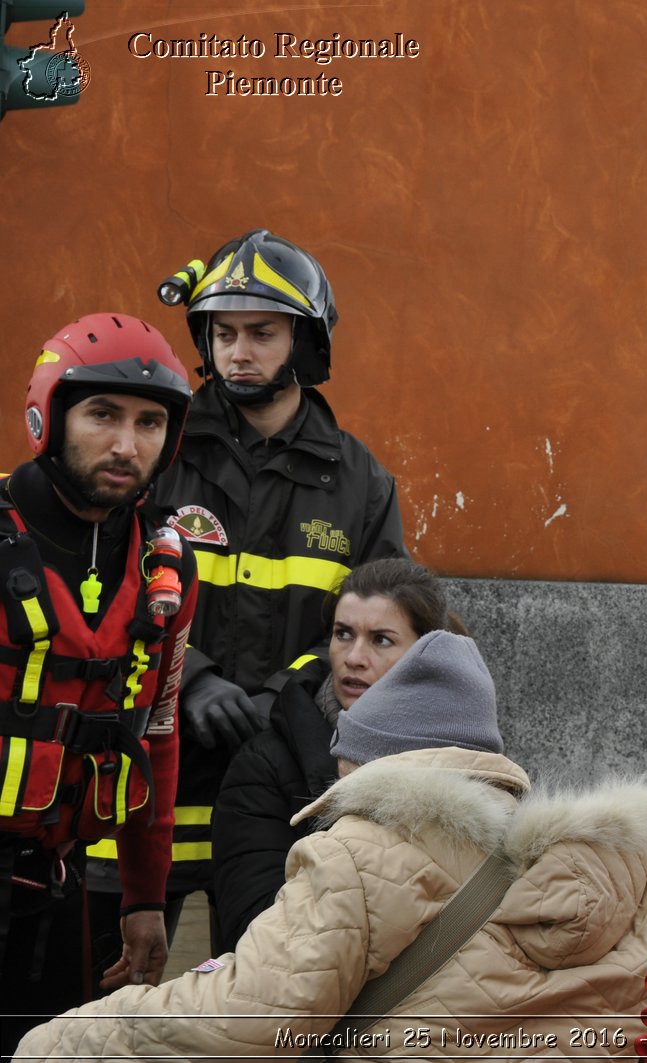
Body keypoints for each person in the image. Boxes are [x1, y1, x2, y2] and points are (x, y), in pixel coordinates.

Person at [17, 632, 647, 1061]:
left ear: (369, 765)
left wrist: (69, 1037)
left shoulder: (355, 858)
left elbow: (245, 1017)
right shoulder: (635, 868)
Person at [85, 229, 408, 952]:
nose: (238, 351)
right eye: (222, 332)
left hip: (280, 783)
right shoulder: (155, 449)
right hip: (146, 774)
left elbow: (389, 624)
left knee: (262, 1006)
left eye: (261, 332)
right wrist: (191, 678)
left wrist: (288, 693)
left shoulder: (359, 480)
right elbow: (101, 578)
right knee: (104, 1006)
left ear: (306, 341)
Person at [0, 313, 198, 1056]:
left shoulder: (168, 569)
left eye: (150, 422)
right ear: (48, 415)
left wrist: (146, 897)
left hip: (63, 889)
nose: (126, 444)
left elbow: (159, 732)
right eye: (103, 414)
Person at [210, 557, 464, 952]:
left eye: (381, 640)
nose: (354, 657)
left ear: (425, 654)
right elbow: (254, 931)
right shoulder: (264, 765)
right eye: (343, 634)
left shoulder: (465, 756)